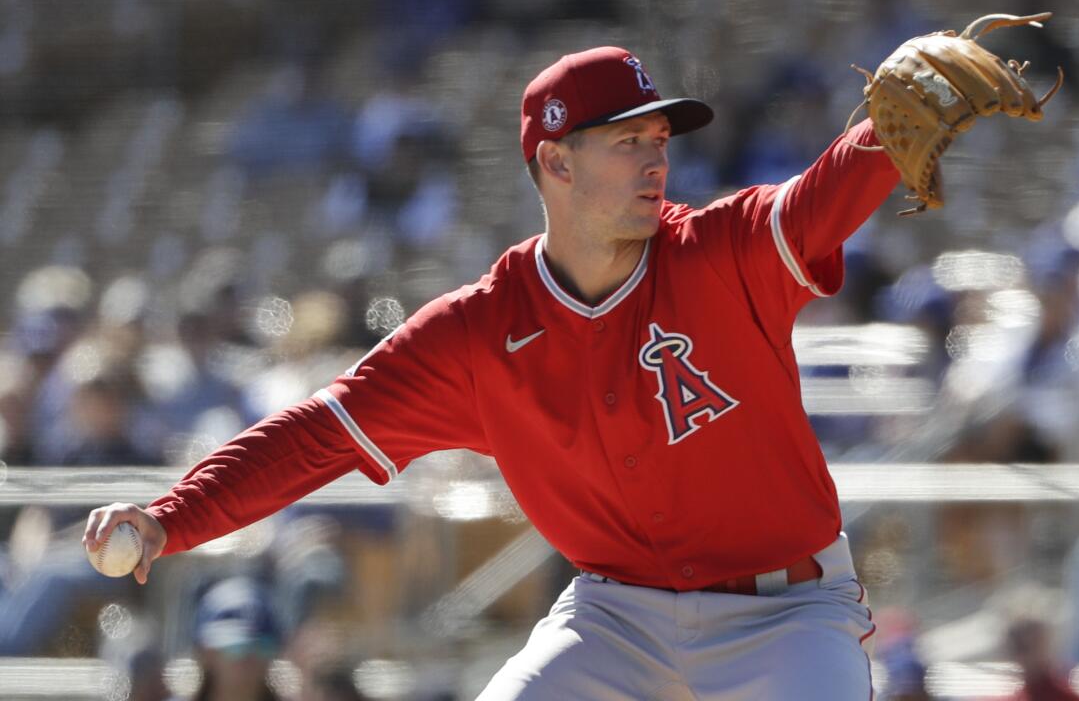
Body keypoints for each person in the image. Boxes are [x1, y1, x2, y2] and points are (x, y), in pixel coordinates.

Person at [85, 46, 900, 699]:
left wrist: (886, 131)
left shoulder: (720, 251)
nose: (657, 160)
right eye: (627, 142)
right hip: (616, 617)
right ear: (556, 161)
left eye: (659, 141)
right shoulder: (480, 332)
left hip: (787, 612)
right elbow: (318, 436)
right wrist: (172, 516)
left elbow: (821, 200)